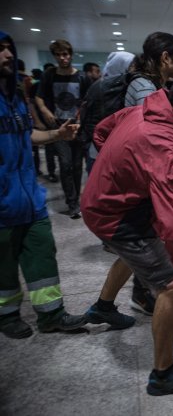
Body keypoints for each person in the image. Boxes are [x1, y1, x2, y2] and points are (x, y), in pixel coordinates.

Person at [81, 77, 173, 396]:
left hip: (106, 199)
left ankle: (103, 307)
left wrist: (125, 171)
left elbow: (101, 130)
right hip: (116, 214)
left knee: (136, 254)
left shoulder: (145, 108)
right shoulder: (166, 145)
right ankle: (163, 374)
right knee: (169, 285)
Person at [0, 31, 87, 339]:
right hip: (3, 200)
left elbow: (26, 136)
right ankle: (7, 314)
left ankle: (51, 314)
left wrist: (55, 135)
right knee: (4, 263)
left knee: (41, 252)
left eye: (9, 49)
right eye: (1, 50)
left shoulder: (13, 99)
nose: (9, 55)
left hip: (30, 197)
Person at [121, 32, 173, 316]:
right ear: (165, 58)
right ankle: (147, 293)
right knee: (147, 239)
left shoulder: (152, 85)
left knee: (141, 242)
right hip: (142, 176)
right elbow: (151, 140)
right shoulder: (147, 89)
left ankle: (113, 301)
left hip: (142, 173)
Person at [35, 39, 90, 219]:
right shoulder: (49, 75)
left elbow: (88, 101)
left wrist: (82, 118)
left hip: (77, 128)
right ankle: (72, 203)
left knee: (76, 166)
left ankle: (76, 200)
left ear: (71, 54)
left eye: (65, 54)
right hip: (58, 127)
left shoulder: (81, 77)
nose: (62, 58)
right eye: (58, 55)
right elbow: (39, 97)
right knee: (65, 165)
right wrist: (45, 111)